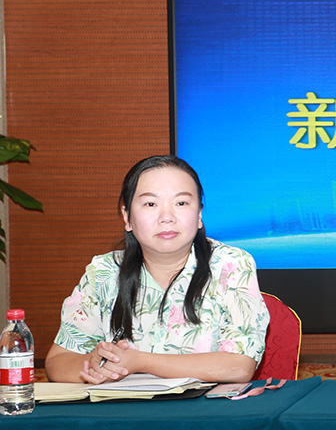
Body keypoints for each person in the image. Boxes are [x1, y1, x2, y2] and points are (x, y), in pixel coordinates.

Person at [45, 155, 269, 384]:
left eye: (181, 203)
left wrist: (140, 362)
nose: (167, 218)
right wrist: (93, 364)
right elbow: (57, 362)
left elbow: (239, 367)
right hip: (124, 406)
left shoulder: (230, 265)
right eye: (150, 204)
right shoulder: (104, 272)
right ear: (127, 217)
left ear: (199, 215)